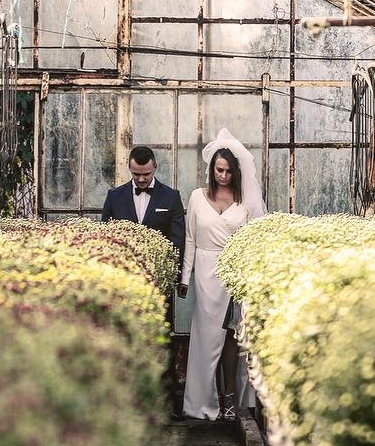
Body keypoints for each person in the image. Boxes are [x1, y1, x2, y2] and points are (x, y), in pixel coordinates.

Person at [178, 129, 267, 420]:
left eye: (228, 171)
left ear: (236, 172)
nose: (223, 176)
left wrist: (252, 279)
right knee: (205, 338)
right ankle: (202, 402)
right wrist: (185, 278)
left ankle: (230, 399)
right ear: (211, 169)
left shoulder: (247, 203)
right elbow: (190, 238)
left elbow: (255, 241)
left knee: (232, 337)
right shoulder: (195, 198)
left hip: (235, 273)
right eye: (219, 170)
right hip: (205, 274)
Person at [102, 146, 186, 411]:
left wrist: (172, 276)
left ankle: (168, 402)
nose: (140, 179)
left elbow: (178, 240)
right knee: (127, 336)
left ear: (155, 168)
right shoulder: (114, 197)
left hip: (159, 285)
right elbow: (105, 238)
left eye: (145, 174)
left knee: (163, 337)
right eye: (136, 174)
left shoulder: (171, 197)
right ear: (130, 169)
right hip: (124, 284)